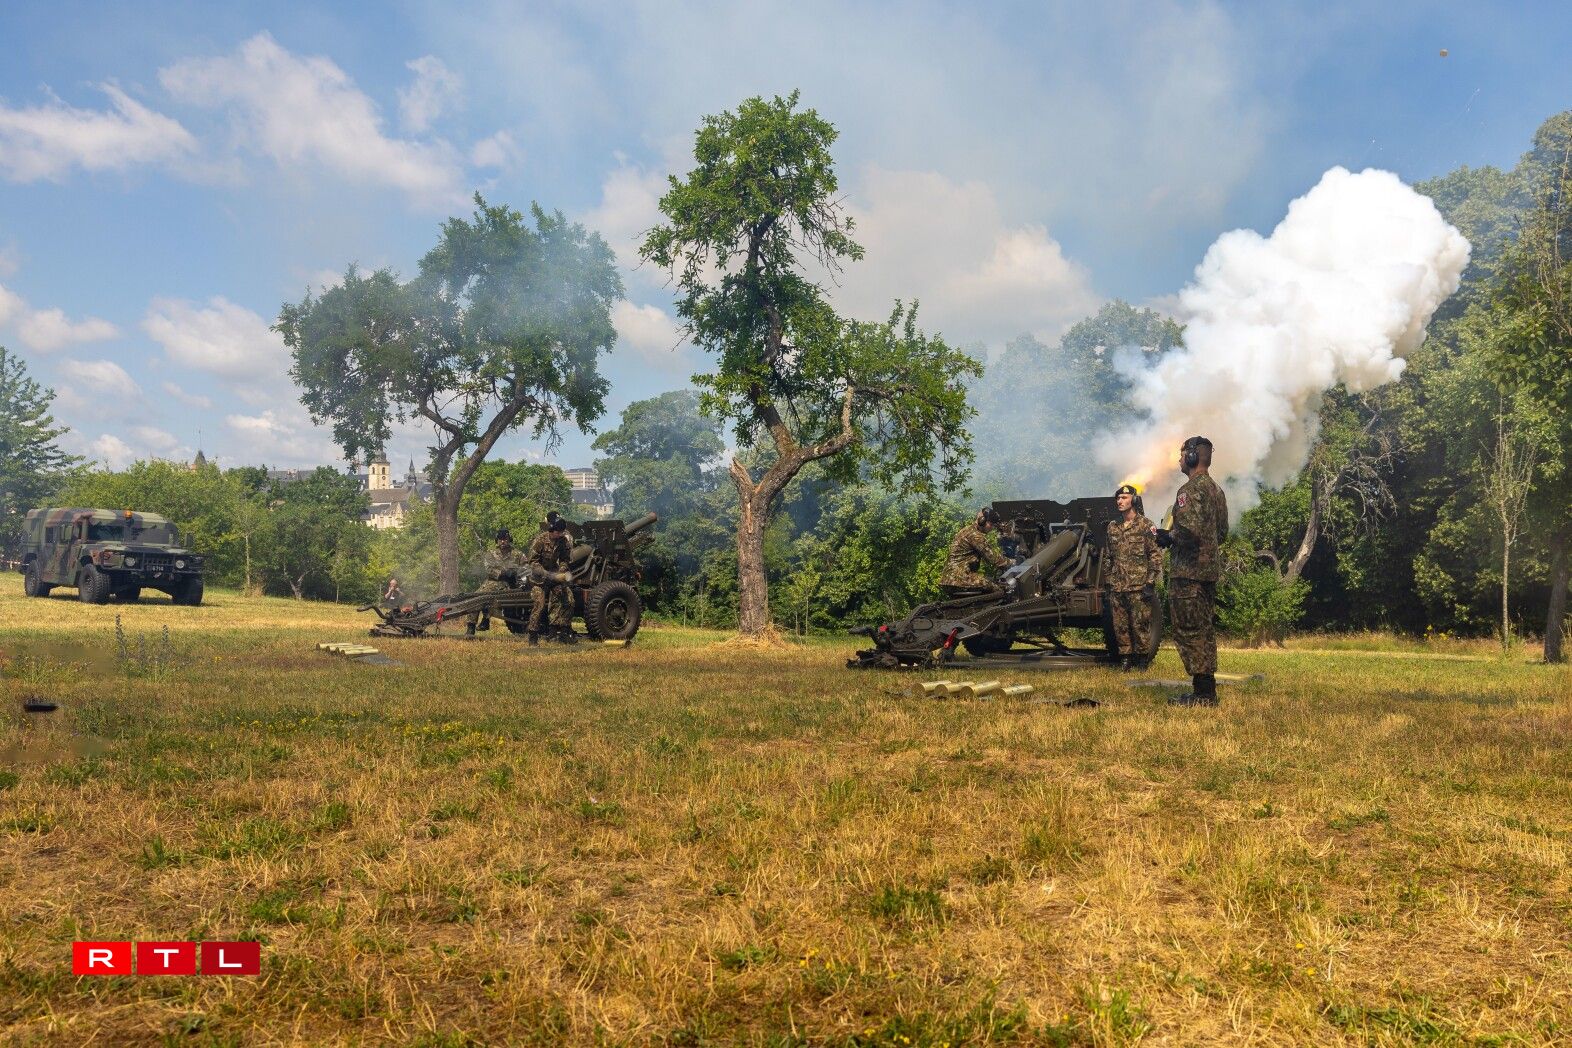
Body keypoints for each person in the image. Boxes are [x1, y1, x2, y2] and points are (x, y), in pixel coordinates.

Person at [1153, 436, 1229, 706]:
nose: (1179, 459)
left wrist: (1168, 537)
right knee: (1204, 630)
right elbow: (1222, 533)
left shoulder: (1188, 491)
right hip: (1207, 574)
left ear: (1193, 456)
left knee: (1189, 631)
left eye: (1182, 453)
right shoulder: (1216, 490)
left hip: (1188, 573)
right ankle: (1206, 690)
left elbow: (1189, 530)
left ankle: (1203, 694)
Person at [1105, 484, 1161, 671]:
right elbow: (1108, 557)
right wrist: (1108, 580)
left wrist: (1150, 583)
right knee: (1120, 625)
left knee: (1140, 625)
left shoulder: (1146, 525)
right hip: (1117, 586)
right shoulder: (1112, 527)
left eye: (1124, 498)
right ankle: (1125, 659)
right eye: (1118, 498)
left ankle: (1143, 659)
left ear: (1134, 500)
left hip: (1139, 586)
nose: (1119, 501)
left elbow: (1155, 556)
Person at [940, 507, 1012, 598]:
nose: (992, 528)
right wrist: (1013, 562)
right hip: (960, 578)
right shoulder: (975, 536)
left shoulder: (966, 530)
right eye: (991, 524)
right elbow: (994, 559)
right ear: (983, 521)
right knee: (1000, 590)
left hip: (948, 579)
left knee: (990, 581)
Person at [466, 529, 524, 637]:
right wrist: (503, 573)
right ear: (497, 540)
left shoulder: (518, 554)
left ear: (509, 540)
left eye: (505, 539)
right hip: (493, 583)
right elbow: (489, 569)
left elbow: (526, 567)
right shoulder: (491, 554)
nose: (502, 541)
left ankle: (486, 619)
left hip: (512, 585)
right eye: (500, 539)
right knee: (475, 598)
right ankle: (471, 626)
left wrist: (517, 573)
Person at [528, 516, 576, 645]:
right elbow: (533, 563)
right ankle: (533, 636)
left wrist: (562, 570)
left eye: (561, 532)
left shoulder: (562, 541)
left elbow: (565, 559)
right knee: (539, 604)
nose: (560, 534)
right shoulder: (540, 540)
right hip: (538, 579)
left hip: (554, 577)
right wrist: (547, 574)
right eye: (558, 532)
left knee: (569, 599)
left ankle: (559, 632)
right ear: (552, 530)